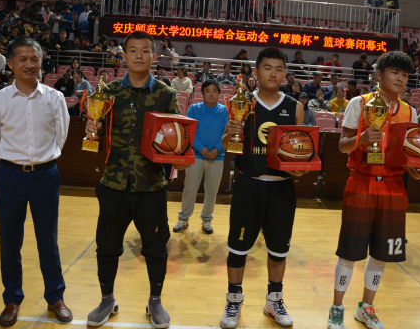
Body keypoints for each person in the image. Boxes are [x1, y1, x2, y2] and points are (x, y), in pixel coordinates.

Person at [84, 31, 190, 327]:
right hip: (113, 184)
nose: (139, 55)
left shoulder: (166, 95)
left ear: (154, 57)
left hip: (151, 186)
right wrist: (91, 128)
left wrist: (180, 153)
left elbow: (177, 137)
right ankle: (107, 300)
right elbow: (95, 134)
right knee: (107, 247)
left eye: (145, 50)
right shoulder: (107, 93)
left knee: (156, 249)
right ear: (125, 56)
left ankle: (155, 301)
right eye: (133, 50)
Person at [328, 51, 420, 329]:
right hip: (361, 182)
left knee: (382, 254)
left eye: (405, 75)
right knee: (349, 252)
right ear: (379, 75)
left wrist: (416, 170)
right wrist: (361, 139)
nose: (400, 79)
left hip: (394, 187)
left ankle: (366, 308)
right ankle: (337, 308)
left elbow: (407, 154)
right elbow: (342, 146)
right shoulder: (359, 103)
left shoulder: (410, 111)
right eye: (395, 72)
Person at [0, 37, 72, 327]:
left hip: (46, 175)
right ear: (10, 63)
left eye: (34, 58)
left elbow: (61, 136)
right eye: (22, 59)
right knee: (10, 241)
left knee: (48, 240)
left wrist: (43, 161)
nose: (29, 64)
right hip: (9, 176)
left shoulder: (55, 98)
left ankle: (55, 297)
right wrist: (13, 165)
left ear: (41, 62)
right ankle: (12, 298)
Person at [219, 47, 305, 328]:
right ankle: (234, 301)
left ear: (285, 74)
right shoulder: (241, 102)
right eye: (268, 68)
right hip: (249, 185)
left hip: (281, 187)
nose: (273, 73)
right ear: (256, 72)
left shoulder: (295, 107)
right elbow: (225, 144)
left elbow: (300, 150)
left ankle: (274, 300)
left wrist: (301, 167)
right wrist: (230, 134)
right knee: (238, 248)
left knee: (279, 250)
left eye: (279, 69)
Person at [174, 80, 228, 234]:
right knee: (190, 188)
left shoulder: (224, 111)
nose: (211, 94)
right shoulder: (194, 109)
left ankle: (207, 220)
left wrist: (216, 150)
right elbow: (189, 131)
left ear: (218, 93)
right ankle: (183, 218)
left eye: (214, 91)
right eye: (207, 91)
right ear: (202, 93)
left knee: (212, 191)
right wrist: (202, 149)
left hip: (217, 157)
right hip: (196, 156)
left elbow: (227, 133)